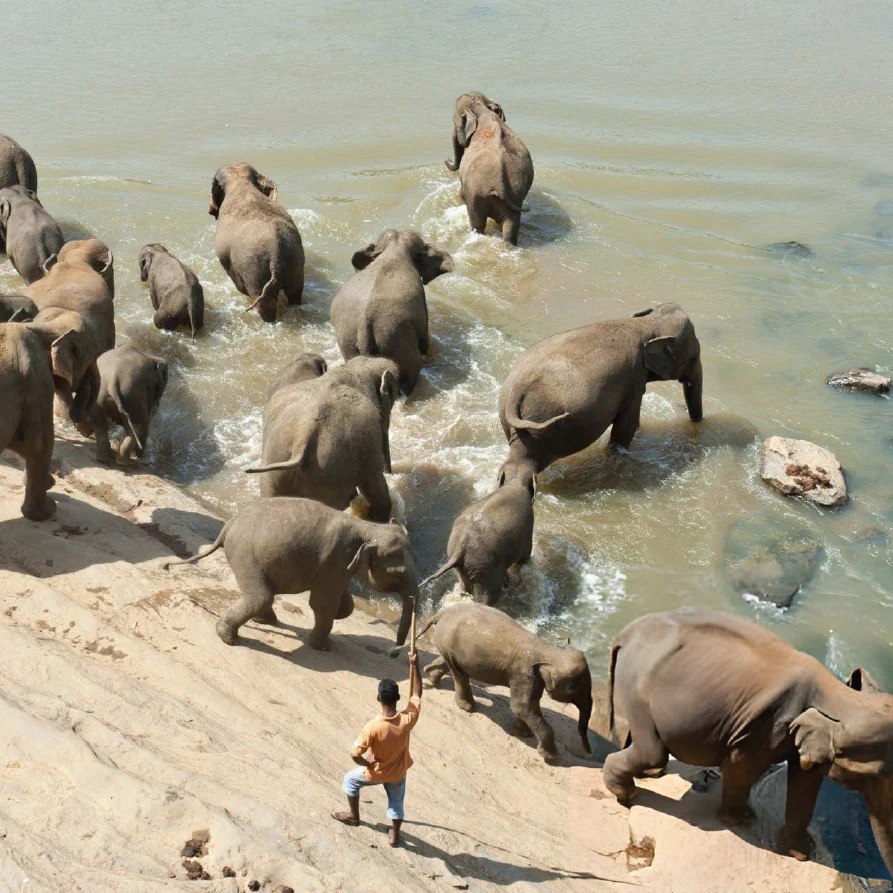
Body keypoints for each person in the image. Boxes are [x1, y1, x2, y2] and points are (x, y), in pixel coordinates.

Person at [332, 652, 423, 847]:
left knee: (350, 781)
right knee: (397, 803)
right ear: (398, 697)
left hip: (376, 772)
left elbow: (355, 754)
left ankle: (354, 816)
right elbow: (416, 693)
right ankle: (395, 836)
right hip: (398, 773)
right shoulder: (407, 719)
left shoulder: (373, 726)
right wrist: (415, 665)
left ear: (378, 698)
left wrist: (367, 763)